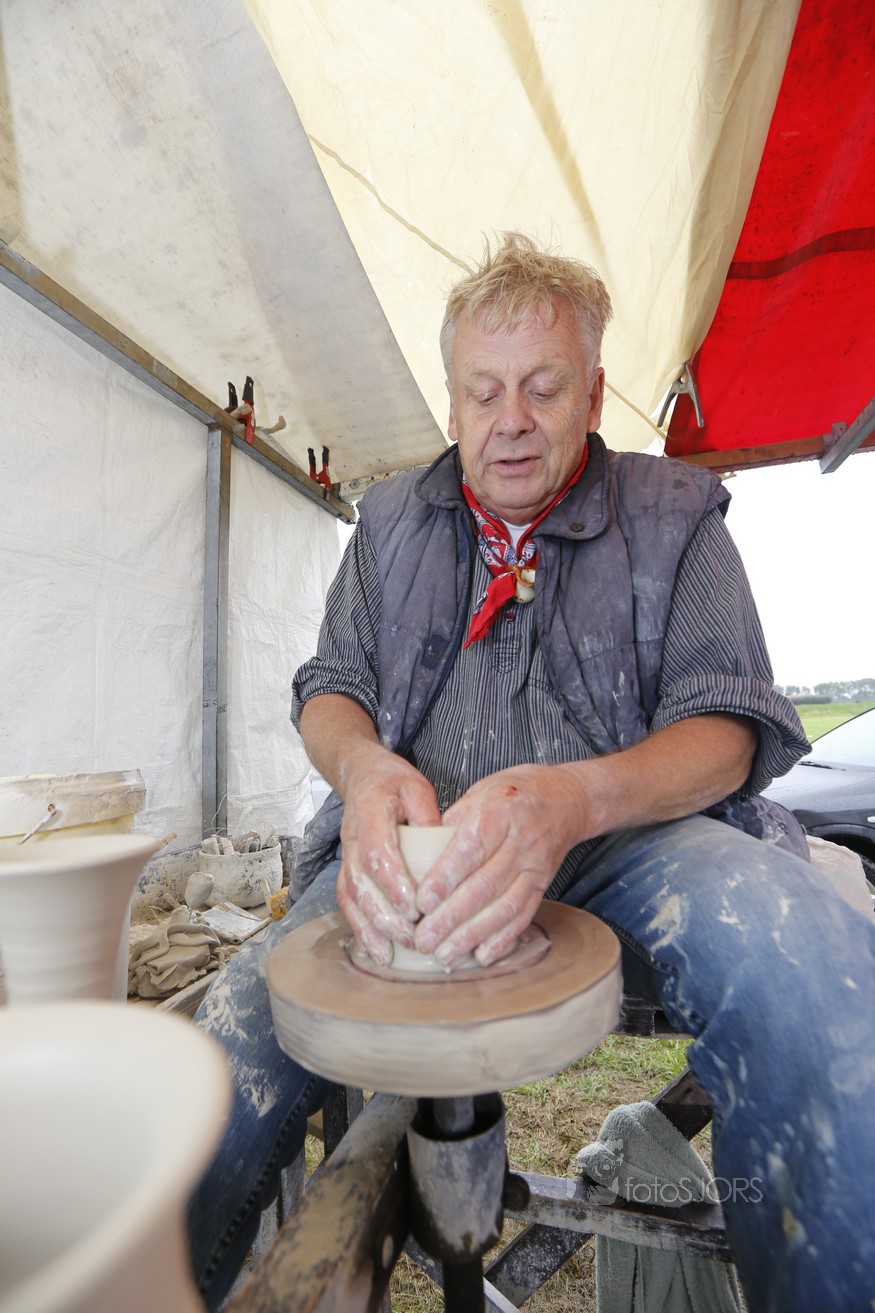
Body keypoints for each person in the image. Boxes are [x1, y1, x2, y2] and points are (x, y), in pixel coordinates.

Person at [188, 234, 875, 1311]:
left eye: (543, 388)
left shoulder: (674, 512)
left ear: (591, 395)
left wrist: (575, 794)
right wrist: (364, 769)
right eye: (483, 391)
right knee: (224, 1045)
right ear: (453, 403)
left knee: (812, 970)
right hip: (417, 849)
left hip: (632, 839)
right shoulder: (389, 523)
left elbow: (729, 727)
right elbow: (329, 688)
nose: (509, 418)